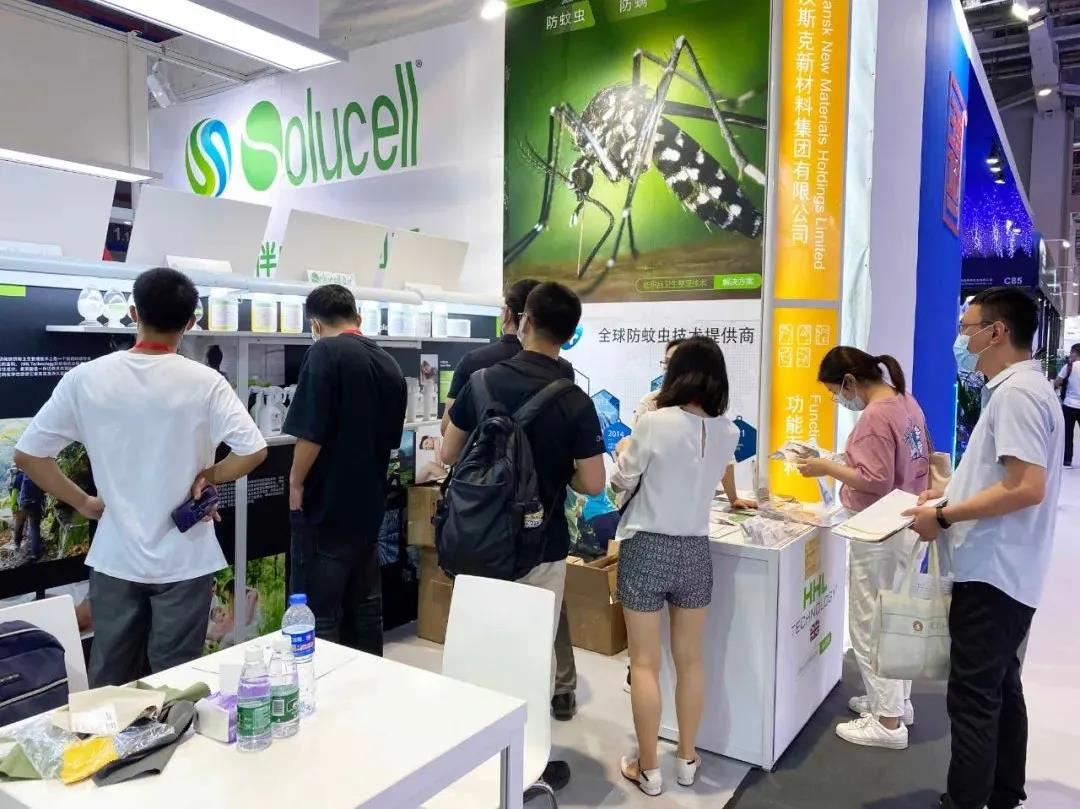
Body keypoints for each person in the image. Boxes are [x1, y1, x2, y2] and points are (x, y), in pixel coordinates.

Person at [14, 268, 267, 686]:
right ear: (191, 322)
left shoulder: (86, 378)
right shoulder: (207, 383)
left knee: (111, 677)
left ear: (134, 313)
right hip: (186, 555)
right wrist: (210, 475)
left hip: (115, 554)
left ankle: (110, 731)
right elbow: (254, 451)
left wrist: (83, 502)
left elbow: (29, 455)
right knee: (174, 681)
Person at [903, 287, 1063, 809]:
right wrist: (946, 497)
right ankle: (1003, 792)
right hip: (1008, 571)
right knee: (1001, 687)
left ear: (997, 332)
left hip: (992, 574)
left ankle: (966, 801)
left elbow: (1026, 486)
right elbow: (1003, 478)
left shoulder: (1017, 395)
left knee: (973, 700)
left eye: (966, 329)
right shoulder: (1025, 390)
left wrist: (943, 516)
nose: (961, 340)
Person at [442, 281, 605, 790]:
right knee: (531, 656)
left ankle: (469, 755)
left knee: (477, 648)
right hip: (541, 545)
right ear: (569, 335)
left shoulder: (481, 381)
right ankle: (526, 765)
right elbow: (593, 482)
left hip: (478, 539)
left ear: (524, 321)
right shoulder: (575, 399)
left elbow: (448, 454)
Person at [609, 336, 738, 796]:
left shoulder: (654, 423)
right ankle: (686, 758)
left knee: (644, 664)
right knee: (691, 662)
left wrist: (623, 452)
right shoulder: (728, 431)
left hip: (647, 546)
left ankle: (649, 768)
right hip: (695, 551)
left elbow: (620, 481)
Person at [797, 347, 930, 750]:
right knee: (896, 619)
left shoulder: (874, 416)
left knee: (871, 622)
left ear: (850, 381)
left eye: (835, 392)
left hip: (880, 529)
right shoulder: (904, 401)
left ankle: (887, 722)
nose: (838, 400)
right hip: (907, 522)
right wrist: (835, 459)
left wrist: (825, 468)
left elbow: (874, 480)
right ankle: (896, 703)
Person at [285, 285, 407, 656]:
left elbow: (312, 433)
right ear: (358, 318)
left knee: (318, 612)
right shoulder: (389, 363)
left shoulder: (324, 352)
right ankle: (368, 681)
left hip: (327, 506)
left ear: (315, 324)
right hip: (369, 506)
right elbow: (391, 438)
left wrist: (295, 482)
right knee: (365, 607)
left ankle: (317, 681)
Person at [1054, 342, 1080, 467]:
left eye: (1071, 352)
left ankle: (1067, 460)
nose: (1070, 355)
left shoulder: (1068, 367)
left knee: (1068, 434)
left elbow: (1057, 382)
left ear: (1076, 353)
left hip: (1069, 405)